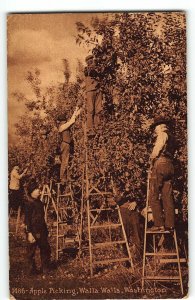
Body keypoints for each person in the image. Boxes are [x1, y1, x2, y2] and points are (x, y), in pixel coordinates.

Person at [149, 116, 176, 232]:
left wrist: (151, 158)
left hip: (160, 163)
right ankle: (170, 224)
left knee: (153, 194)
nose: (155, 130)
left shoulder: (162, 135)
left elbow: (156, 151)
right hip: (170, 165)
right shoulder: (172, 137)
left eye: (155, 127)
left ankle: (158, 223)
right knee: (167, 195)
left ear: (160, 126)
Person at [24, 182, 52, 275]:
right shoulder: (29, 203)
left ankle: (45, 269)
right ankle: (31, 270)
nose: (39, 191)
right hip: (33, 230)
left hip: (41, 230)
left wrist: (46, 230)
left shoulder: (40, 203)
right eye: (37, 189)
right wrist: (29, 233)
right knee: (31, 251)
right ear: (31, 191)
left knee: (45, 249)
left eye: (39, 189)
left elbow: (41, 218)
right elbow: (27, 220)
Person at [112, 182, 141, 254]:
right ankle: (126, 257)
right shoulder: (117, 183)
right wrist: (125, 191)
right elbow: (116, 199)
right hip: (123, 211)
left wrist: (136, 202)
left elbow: (142, 196)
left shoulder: (135, 180)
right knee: (124, 235)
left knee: (137, 234)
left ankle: (139, 257)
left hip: (133, 211)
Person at [57, 106, 81, 184]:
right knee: (65, 161)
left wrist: (77, 110)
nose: (65, 121)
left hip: (67, 145)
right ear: (62, 121)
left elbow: (72, 120)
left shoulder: (63, 126)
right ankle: (62, 178)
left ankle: (67, 177)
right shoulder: (62, 127)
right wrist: (77, 110)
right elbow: (71, 121)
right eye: (64, 120)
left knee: (68, 160)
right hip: (65, 145)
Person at [84, 54, 103, 132]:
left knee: (98, 109)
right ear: (87, 62)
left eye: (92, 59)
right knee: (91, 109)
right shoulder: (87, 69)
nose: (91, 61)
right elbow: (90, 72)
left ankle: (98, 127)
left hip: (98, 90)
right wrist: (95, 66)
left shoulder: (97, 68)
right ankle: (90, 128)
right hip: (91, 90)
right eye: (89, 60)